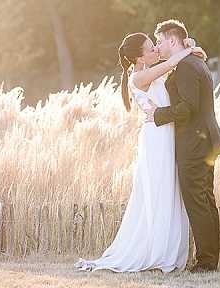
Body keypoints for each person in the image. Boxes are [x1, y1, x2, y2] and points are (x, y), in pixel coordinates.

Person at [74, 31, 206, 272]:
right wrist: (188, 50)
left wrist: (189, 45)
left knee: (168, 191)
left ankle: (165, 250)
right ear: (141, 58)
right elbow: (171, 62)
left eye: (155, 46)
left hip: (166, 134)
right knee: (158, 191)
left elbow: (172, 66)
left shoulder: (149, 73)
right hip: (157, 140)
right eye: (150, 48)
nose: (156, 49)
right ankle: (154, 251)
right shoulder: (139, 78)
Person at [144, 19, 220, 272]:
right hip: (205, 141)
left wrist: (159, 114)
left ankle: (206, 262)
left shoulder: (188, 67)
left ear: (172, 40)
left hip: (195, 144)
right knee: (205, 200)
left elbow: (188, 108)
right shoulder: (194, 61)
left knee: (197, 201)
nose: (157, 45)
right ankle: (209, 259)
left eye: (159, 41)